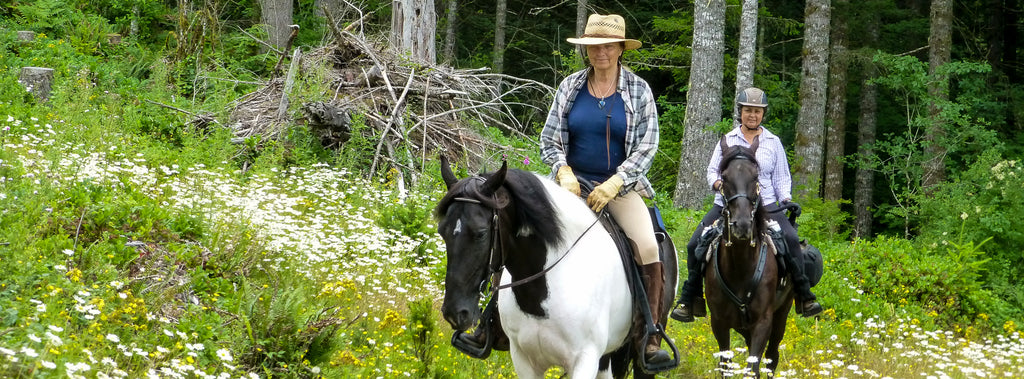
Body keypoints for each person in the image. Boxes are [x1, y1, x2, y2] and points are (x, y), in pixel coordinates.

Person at [539, 13, 670, 365]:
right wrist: (563, 171)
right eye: (595, 46)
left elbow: (648, 145)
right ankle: (497, 321)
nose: (601, 53)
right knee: (525, 228)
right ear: (587, 50)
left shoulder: (639, 90)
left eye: (608, 46)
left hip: (620, 187)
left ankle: (650, 332)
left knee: (646, 245)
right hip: (572, 183)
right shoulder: (569, 87)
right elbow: (550, 138)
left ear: (620, 50)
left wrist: (616, 182)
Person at [670, 87, 823, 323]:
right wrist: (718, 183)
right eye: (748, 110)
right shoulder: (727, 140)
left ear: (763, 114)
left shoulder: (773, 142)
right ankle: (691, 299)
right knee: (694, 244)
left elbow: (782, 176)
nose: (753, 115)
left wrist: (786, 200)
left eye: (757, 111)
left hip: (767, 205)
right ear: (740, 112)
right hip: (727, 204)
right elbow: (712, 170)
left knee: (791, 241)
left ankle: (804, 295)